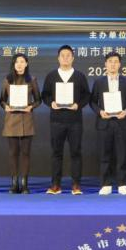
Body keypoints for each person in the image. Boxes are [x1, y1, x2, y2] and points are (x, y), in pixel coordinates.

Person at [42, 45, 91, 195]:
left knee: (76, 152)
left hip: (75, 120)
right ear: (58, 58)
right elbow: (45, 95)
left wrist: (78, 105)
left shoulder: (79, 76)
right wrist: (51, 103)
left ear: (73, 58)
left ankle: (76, 185)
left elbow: (87, 95)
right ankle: (55, 185)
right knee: (56, 153)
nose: (65, 58)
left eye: (68, 55)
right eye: (62, 55)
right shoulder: (51, 76)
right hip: (56, 120)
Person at [90, 52, 126, 195]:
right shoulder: (99, 82)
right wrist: (100, 112)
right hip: (105, 122)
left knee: (122, 154)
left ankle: (122, 184)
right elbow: (92, 102)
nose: (113, 64)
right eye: (110, 61)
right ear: (105, 64)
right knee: (105, 154)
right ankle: (106, 184)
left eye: (116, 61)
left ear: (120, 64)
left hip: (122, 122)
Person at [0, 53, 42, 194]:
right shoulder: (7, 79)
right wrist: (5, 106)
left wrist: (31, 107)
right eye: (17, 62)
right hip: (11, 119)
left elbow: (38, 100)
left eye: (22, 61)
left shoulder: (32, 79)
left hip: (26, 119)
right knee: (13, 153)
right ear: (13, 64)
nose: (19, 64)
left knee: (25, 153)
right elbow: (2, 100)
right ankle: (14, 183)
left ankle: (24, 184)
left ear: (26, 64)